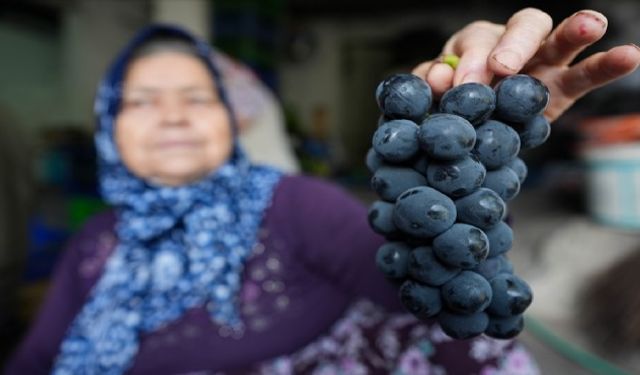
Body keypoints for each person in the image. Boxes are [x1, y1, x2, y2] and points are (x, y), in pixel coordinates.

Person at [5, 7, 639, 375]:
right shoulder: (96, 242)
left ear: (235, 121)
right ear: (111, 129)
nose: (171, 116)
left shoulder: (296, 207)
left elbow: (452, 302)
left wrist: (468, 133)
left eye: (197, 98)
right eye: (140, 102)